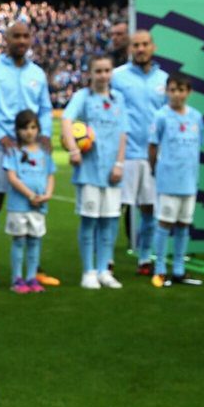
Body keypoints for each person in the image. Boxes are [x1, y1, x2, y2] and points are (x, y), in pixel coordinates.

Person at [0, 21, 56, 288]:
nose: (21, 41)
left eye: (25, 36)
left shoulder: (37, 74)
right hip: (3, 148)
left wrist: (43, 132)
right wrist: (1, 135)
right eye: (16, 36)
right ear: (6, 39)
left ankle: (33, 269)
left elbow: (45, 107)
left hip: (32, 149)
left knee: (34, 205)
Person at [62, 55, 128, 289]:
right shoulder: (82, 97)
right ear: (90, 73)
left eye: (107, 70)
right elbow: (66, 120)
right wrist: (73, 149)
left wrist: (120, 164)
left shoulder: (118, 98)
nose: (103, 75)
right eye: (98, 71)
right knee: (89, 222)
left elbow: (123, 133)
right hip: (89, 171)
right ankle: (88, 271)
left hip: (113, 172)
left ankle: (104, 271)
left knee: (110, 223)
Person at [112, 29, 168, 275]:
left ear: (153, 47)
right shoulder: (117, 77)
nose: (141, 49)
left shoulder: (164, 80)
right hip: (125, 154)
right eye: (136, 45)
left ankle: (145, 258)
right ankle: (106, 260)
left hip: (154, 155)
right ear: (130, 49)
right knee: (115, 210)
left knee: (149, 210)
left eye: (145, 44)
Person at [148, 73, 204, 287]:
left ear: (188, 92)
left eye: (181, 90)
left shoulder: (196, 117)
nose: (177, 94)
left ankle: (179, 269)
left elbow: (198, 145)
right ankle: (160, 268)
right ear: (166, 91)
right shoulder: (161, 116)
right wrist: (155, 168)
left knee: (183, 225)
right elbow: (153, 146)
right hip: (168, 180)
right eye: (172, 90)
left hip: (189, 180)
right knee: (164, 223)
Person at [3, 110, 56, 294]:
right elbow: (12, 177)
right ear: (17, 130)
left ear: (38, 129)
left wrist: (47, 194)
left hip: (39, 206)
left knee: (35, 241)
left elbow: (50, 175)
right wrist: (30, 195)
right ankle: (17, 278)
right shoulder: (13, 152)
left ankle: (32, 277)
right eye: (24, 127)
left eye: (33, 127)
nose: (29, 131)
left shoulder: (44, 152)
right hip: (19, 206)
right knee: (19, 241)